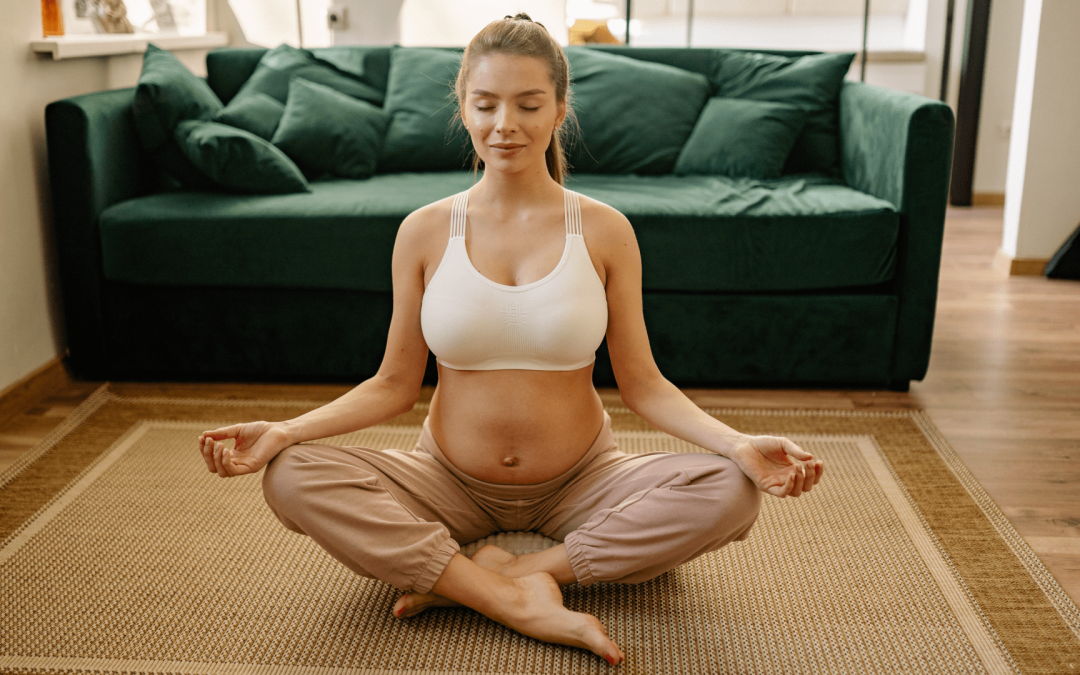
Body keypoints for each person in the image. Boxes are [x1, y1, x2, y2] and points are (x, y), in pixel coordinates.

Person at [197, 13, 824, 667]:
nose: (506, 125)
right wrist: (286, 430)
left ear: (559, 108)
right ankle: (507, 595)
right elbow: (392, 384)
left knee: (731, 490)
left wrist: (738, 443)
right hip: (445, 478)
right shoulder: (424, 231)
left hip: (584, 477)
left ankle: (502, 574)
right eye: (486, 104)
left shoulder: (607, 231)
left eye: (528, 105)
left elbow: (644, 385)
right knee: (291, 475)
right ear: (463, 107)